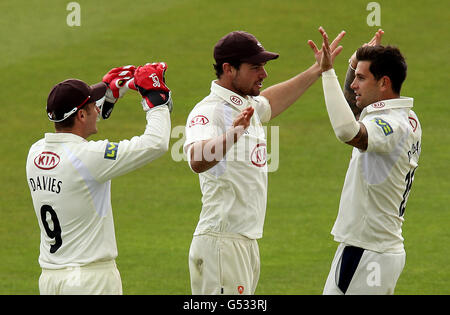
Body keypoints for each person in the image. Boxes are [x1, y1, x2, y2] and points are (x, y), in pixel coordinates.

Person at [183, 30, 345, 295]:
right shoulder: (209, 111)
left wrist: (318, 69)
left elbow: (269, 101)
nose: (264, 74)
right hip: (222, 242)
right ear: (228, 69)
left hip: (244, 241)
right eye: (255, 67)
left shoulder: (246, 106)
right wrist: (234, 133)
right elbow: (196, 159)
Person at [26, 62, 173, 294]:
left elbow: (75, 132)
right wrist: (156, 101)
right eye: (93, 105)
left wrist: (109, 98)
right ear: (82, 114)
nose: (97, 108)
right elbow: (155, 143)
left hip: (51, 279)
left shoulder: (35, 152)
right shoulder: (89, 157)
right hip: (90, 280)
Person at [310, 27, 422, 294]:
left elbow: (346, 131)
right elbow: (353, 110)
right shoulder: (407, 116)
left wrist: (327, 72)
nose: (353, 84)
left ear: (384, 82)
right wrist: (353, 63)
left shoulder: (392, 125)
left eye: (361, 78)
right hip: (369, 247)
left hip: (369, 251)